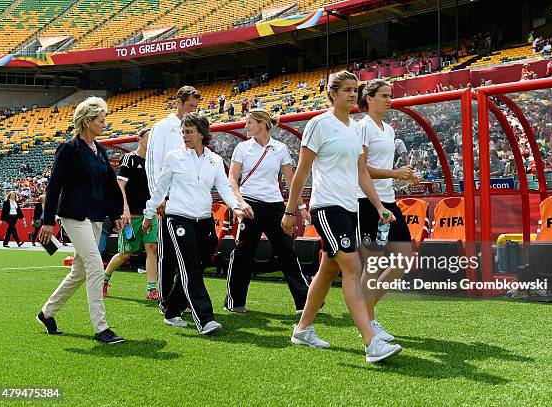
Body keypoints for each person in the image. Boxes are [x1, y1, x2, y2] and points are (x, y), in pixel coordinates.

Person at [281, 70, 402, 363]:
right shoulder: (318, 124)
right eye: (346, 89)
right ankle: (371, 342)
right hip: (327, 207)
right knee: (353, 265)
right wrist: (291, 209)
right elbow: (302, 171)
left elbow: (361, 173)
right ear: (332, 93)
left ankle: (302, 329)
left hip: (350, 208)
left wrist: (378, 206)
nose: (351, 94)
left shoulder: (353, 129)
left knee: (329, 269)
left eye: (354, 90)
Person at [143, 112, 244, 334]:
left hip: (204, 220)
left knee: (198, 266)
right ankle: (205, 319)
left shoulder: (214, 160)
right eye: (183, 132)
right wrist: (149, 214)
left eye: (189, 132)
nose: (185, 136)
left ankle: (171, 310)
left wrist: (236, 207)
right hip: (178, 217)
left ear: (201, 133)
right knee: (189, 266)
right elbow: (161, 188)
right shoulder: (173, 157)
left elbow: (224, 188)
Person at [37, 96, 125, 344]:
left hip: (96, 216)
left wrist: (116, 215)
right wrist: (47, 220)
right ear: (87, 122)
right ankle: (101, 328)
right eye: (101, 120)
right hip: (74, 216)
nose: (104, 124)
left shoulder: (100, 150)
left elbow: (109, 185)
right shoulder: (69, 149)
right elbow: (54, 186)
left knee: (79, 272)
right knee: (96, 267)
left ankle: (47, 313)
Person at [224, 108, 310, 314]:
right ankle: (234, 302)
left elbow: (291, 181)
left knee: (287, 253)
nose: (246, 126)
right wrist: (241, 203)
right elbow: (232, 179)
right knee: (243, 254)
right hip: (250, 205)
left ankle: (304, 302)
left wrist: (301, 207)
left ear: (262, 124)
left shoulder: (280, 148)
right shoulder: (242, 148)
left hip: (275, 207)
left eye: (249, 123)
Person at [356, 79, 418, 341]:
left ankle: (366, 309)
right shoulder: (362, 127)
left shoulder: (389, 129)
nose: (389, 99)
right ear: (368, 98)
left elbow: (380, 170)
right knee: (372, 264)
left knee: (404, 259)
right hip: (367, 203)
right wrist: (394, 172)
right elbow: (360, 169)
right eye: (383, 95)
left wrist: (401, 178)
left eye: (390, 95)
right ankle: (368, 322)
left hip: (388, 201)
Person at [146, 86, 201, 315]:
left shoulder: (195, 128)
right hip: (168, 200)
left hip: (190, 201)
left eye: (196, 107)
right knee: (167, 253)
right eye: (190, 106)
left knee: (189, 252)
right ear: (179, 102)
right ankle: (166, 299)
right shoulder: (162, 128)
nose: (193, 110)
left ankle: (184, 297)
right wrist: (158, 197)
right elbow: (153, 164)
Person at [103, 127, 159, 300]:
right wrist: (124, 209)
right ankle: (104, 279)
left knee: (152, 248)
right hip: (132, 215)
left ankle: (151, 289)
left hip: (149, 213)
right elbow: (120, 186)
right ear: (140, 139)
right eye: (149, 138)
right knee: (125, 253)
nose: (152, 142)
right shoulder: (130, 158)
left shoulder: (154, 161)